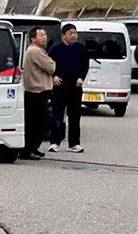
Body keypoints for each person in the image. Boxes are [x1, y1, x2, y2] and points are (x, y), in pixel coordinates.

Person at [47, 23, 90, 154]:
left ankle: (74, 143)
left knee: (75, 116)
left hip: (75, 86)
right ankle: (55, 142)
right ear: (63, 35)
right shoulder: (55, 49)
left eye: (75, 33)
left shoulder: (81, 49)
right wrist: (53, 76)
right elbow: (48, 65)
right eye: (70, 33)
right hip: (60, 86)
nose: (73, 35)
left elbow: (85, 65)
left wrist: (81, 78)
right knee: (57, 115)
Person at [21, 27, 56, 160]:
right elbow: (51, 67)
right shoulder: (35, 51)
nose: (45, 37)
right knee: (34, 123)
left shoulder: (36, 51)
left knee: (37, 123)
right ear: (33, 38)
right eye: (41, 35)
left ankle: (33, 148)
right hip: (36, 91)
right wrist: (53, 62)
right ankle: (28, 150)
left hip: (36, 91)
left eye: (45, 35)